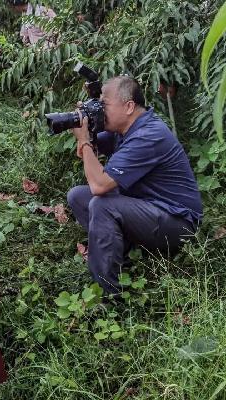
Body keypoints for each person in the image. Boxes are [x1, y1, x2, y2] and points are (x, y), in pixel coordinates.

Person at [66, 76, 202, 295]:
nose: (101, 109)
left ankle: (109, 293)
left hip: (177, 222)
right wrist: (87, 127)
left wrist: (83, 141)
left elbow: (99, 185)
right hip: (148, 209)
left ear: (129, 106)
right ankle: (124, 252)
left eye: (105, 105)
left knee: (102, 204)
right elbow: (93, 149)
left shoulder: (148, 135)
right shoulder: (125, 129)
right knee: (77, 197)